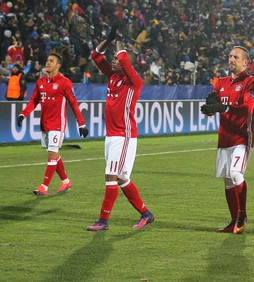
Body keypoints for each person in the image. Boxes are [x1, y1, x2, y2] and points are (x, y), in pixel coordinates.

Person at [86, 30, 154, 231]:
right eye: (113, 58)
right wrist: (108, 38)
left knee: (111, 176)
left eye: (116, 58)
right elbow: (95, 56)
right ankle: (146, 214)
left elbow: (124, 59)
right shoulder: (114, 77)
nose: (113, 60)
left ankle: (103, 220)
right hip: (111, 135)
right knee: (122, 178)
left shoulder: (133, 80)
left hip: (123, 136)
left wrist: (118, 41)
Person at [200, 46, 254, 234]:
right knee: (227, 181)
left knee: (236, 174)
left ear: (245, 63)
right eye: (230, 56)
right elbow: (217, 107)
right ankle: (233, 221)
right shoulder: (221, 83)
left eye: (236, 56)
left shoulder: (251, 82)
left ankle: (242, 216)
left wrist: (223, 108)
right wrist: (211, 109)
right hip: (224, 138)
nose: (231, 59)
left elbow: (247, 109)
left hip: (242, 137)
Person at [16, 53, 89, 196]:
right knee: (53, 154)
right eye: (47, 60)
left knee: (52, 154)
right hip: (44, 124)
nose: (48, 62)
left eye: (51, 61)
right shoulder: (41, 82)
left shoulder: (65, 82)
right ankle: (66, 181)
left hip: (57, 123)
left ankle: (44, 186)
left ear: (58, 66)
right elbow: (33, 100)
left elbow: (73, 103)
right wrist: (23, 114)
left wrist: (81, 124)